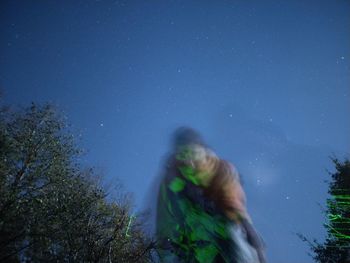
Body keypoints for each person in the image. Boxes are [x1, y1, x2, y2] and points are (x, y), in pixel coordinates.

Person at [156, 127, 266, 262]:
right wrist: (168, 243)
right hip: (194, 244)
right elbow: (165, 219)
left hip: (224, 236)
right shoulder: (171, 182)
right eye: (182, 155)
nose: (189, 161)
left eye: (193, 153)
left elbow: (233, 205)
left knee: (234, 236)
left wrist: (248, 230)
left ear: (202, 150)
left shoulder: (222, 170)